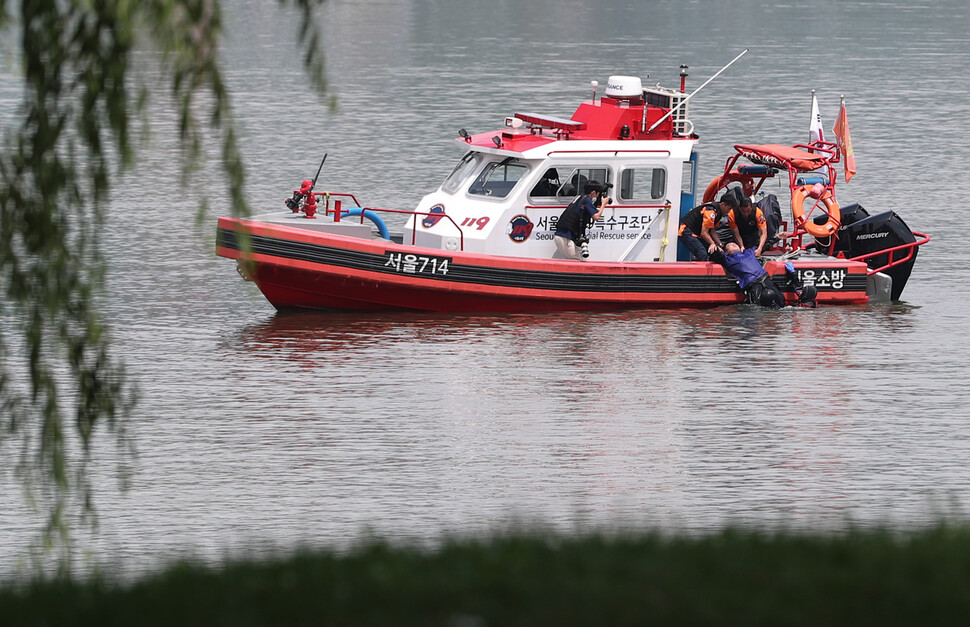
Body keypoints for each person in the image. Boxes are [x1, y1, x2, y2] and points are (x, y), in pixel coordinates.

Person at [711, 243, 817, 308]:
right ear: (727, 251)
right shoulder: (728, 259)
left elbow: (763, 246)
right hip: (753, 284)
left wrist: (777, 237)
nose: (733, 244)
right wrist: (715, 247)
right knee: (767, 297)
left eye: (735, 243)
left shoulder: (748, 252)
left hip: (765, 278)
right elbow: (717, 255)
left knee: (780, 302)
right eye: (729, 245)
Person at [554, 181, 609, 260]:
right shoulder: (587, 200)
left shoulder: (581, 197)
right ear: (593, 192)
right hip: (564, 237)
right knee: (578, 260)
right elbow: (596, 217)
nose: (598, 196)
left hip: (565, 236)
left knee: (579, 259)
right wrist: (603, 204)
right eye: (598, 194)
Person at [678, 193, 738, 261]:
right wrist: (712, 243)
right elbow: (704, 233)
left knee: (716, 253)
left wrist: (720, 245)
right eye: (729, 208)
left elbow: (712, 230)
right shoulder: (711, 211)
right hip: (687, 231)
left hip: (697, 234)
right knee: (702, 254)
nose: (729, 211)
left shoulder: (719, 213)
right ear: (722, 204)